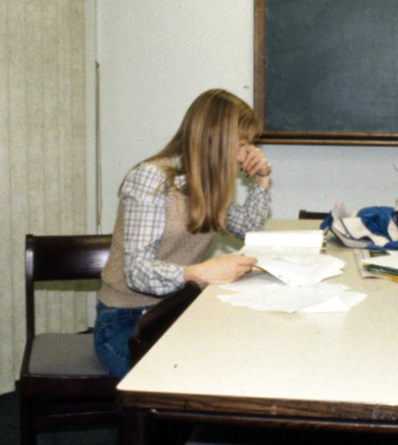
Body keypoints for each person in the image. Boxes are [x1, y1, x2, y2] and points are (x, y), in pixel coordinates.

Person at [94, 89, 272, 377]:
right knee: (192, 380)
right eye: (241, 144)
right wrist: (199, 272)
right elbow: (136, 272)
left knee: (243, 358)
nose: (245, 155)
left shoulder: (209, 181)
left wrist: (262, 178)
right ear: (214, 139)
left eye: (249, 145)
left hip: (177, 310)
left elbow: (251, 230)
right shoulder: (152, 178)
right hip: (127, 323)